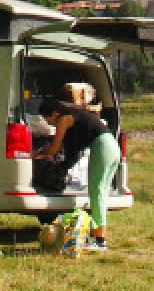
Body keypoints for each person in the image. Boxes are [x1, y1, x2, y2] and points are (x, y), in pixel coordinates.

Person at [33, 97, 120, 251]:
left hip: (102, 147)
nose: (48, 123)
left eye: (47, 119)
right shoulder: (76, 117)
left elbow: (56, 146)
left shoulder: (64, 119)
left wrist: (37, 154)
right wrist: (63, 165)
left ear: (54, 113)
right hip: (112, 146)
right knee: (102, 193)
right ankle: (98, 235)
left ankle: (100, 240)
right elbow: (71, 151)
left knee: (97, 192)